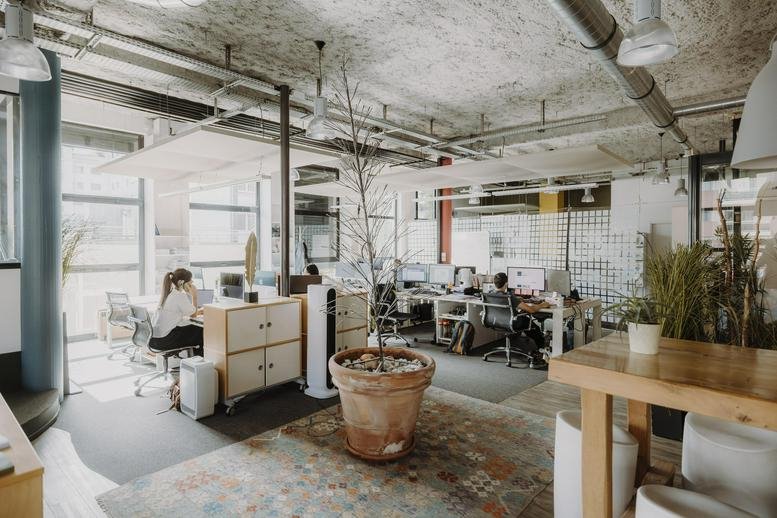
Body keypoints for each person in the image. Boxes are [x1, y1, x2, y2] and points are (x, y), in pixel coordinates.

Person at [151, 268, 204, 357]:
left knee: (191, 328)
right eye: (190, 280)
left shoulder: (170, 293)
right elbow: (193, 314)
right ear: (181, 282)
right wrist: (194, 296)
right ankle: (198, 363)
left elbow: (186, 311)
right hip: (164, 341)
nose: (192, 282)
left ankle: (194, 361)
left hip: (154, 340)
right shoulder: (179, 296)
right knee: (199, 330)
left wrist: (198, 311)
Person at [492, 271, 547, 350]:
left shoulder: (489, 294)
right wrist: (542, 305)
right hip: (512, 322)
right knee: (533, 326)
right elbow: (531, 310)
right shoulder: (509, 297)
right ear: (506, 283)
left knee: (523, 315)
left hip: (496, 321)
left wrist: (517, 300)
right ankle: (542, 350)